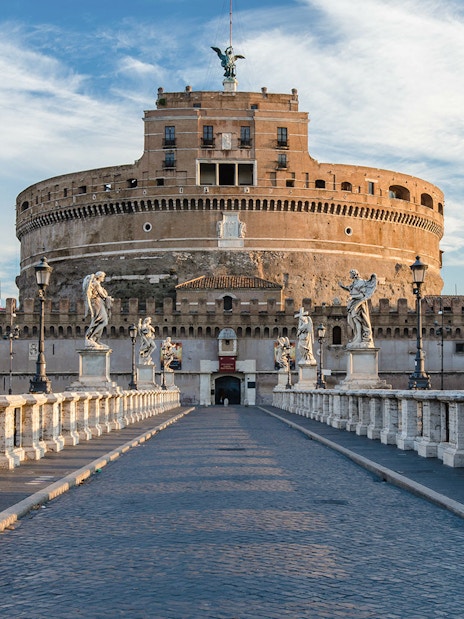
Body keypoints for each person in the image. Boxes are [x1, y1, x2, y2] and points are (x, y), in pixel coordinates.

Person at [338, 269, 377, 347]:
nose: (350, 276)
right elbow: (350, 289)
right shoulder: (354, 282)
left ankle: (359, 337)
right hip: (353, 303)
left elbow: (362, 295)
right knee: (352, 320)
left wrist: (352, 297)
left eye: (351, 274)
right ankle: (357, 337)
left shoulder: (361, 282)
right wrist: (342, 286)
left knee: (357, 320)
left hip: (358, 304)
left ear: (354, 274)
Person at [83, 271, 112, 349]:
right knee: (101, 321)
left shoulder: (97, 284)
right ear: (99, 277)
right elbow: (102, 295)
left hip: (99, 303)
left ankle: (96, 339)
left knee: (101, 321)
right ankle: (91, 337)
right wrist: (108, 298)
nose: (103, 278)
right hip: (97, 303)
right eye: (103, 277)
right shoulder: (96, 284)